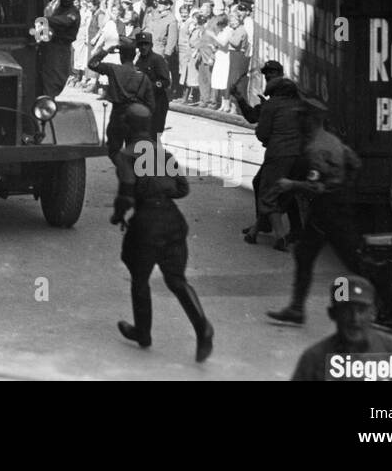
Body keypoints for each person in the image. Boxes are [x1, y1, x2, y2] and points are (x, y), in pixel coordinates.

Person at [111, 104, 213, 362]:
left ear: (128, 126)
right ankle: (203, 328)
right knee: (177, 280)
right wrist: (161, 190)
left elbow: (126, 194)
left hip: (146, 223)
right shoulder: (162, 153)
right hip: (173, 220)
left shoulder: (126, 155)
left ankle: (143, 333)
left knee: (140, 278)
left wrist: (118, 214)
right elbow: (182, 188)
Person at [267, 100, 365, 326]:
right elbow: (355, 163)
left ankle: (385, 304)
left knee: (352, 259)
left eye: (301, 117)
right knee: (306, 254)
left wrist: (290, 184)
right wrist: (343, 185)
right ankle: (297, 308)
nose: (298, 121)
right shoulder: (332, 141)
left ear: (310, 119)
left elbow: (316, 187)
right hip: (335, 205)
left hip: (328, 209)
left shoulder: (315, 149)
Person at [290, 276, 392, 380]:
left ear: (373, 313)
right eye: (347, 310)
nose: (355, 319)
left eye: (362, 310)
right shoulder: (314, 359)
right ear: (332, 313)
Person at [235, 61, 302, 248]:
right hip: (297, 154)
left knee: (268, 191)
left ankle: (268, 229)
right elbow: (253, 115)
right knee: (282, 189)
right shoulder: (296, 101)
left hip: (278, 154)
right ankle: (266, 226)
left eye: (272, 73)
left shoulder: (271, 105)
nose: (269, 77)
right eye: (267, 74)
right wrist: (240, 99)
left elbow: (261, 131)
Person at [39, 0, 80, 97]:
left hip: (61, 49)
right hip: (48, 46)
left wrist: (43, 19)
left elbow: (64, 21)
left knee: (55, 80)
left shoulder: (73, 12)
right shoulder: (56, 9)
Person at [133, 32, 172, 134]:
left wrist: (150, 86)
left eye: (146, 44)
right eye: (141, 44)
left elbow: (166, 81)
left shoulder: (157, 59)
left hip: (157, 102)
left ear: (151, 45)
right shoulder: (138, 61)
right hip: (143, 102)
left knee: (155, 133)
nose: (143, 47)